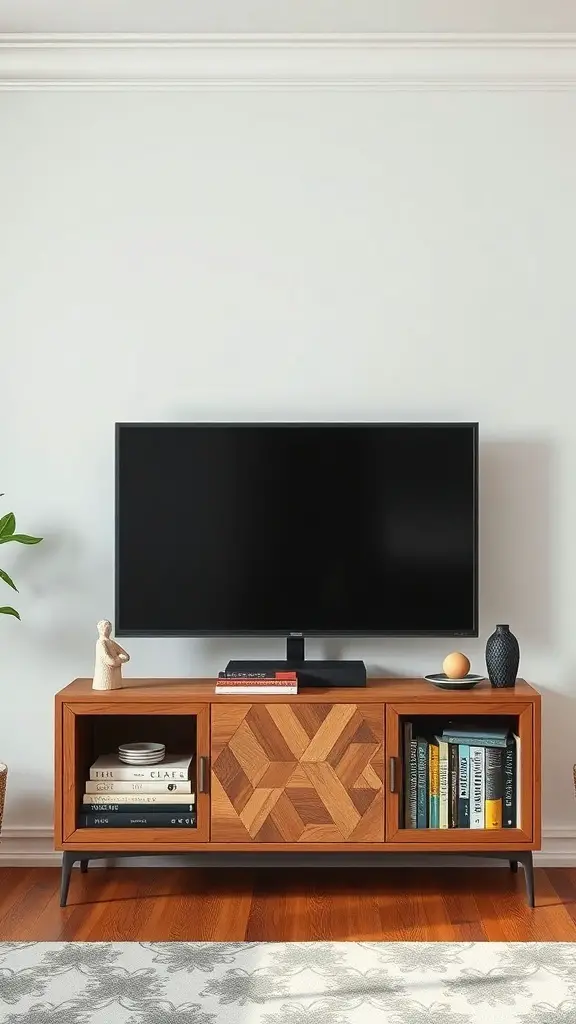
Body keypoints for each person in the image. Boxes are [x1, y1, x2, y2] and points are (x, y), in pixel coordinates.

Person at [92, 619, 130, 690]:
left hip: (114, 680)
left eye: (109, 628)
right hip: (103, 679)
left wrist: (116, 660)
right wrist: (118, 659)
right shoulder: (100, 643)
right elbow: (110, 661)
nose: (106, 630)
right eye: (105, 628)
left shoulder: (111, 643)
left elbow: (126, 656)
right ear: (100, 629)